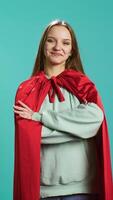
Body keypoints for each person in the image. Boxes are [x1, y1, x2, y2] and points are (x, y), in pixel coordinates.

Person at [13, 20, 113, 200]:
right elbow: (28, 136)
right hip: (43, 191)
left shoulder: (82, 85)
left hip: (81, 189)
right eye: (51, 41)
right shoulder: (28, 89)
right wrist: (78, 129)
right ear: (43, 45)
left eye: (65, 43)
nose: (58, 47)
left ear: (71, 51)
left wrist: (40, 117)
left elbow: (96, 119)